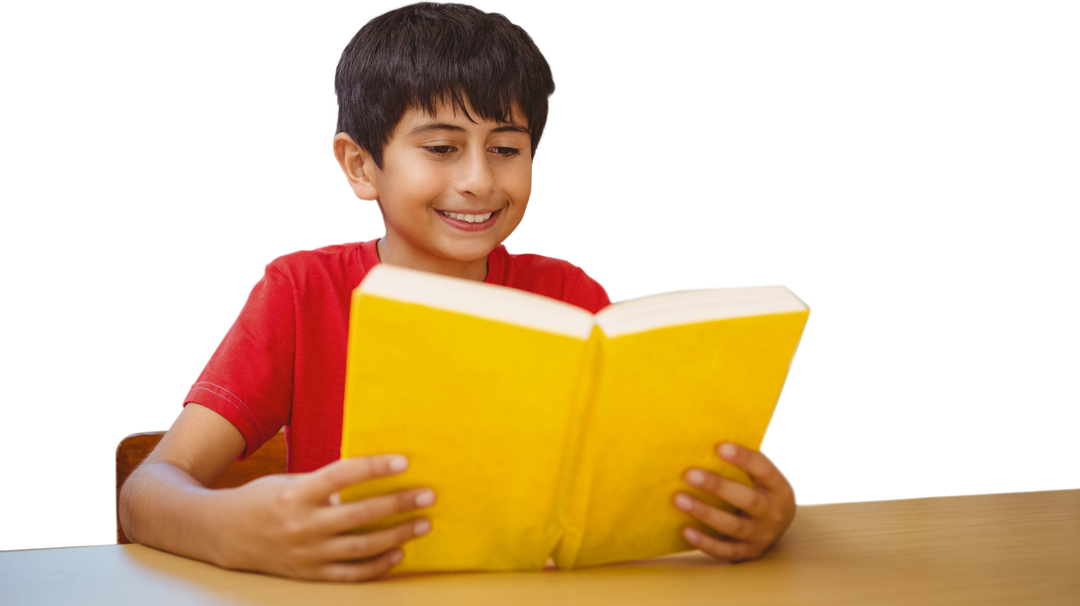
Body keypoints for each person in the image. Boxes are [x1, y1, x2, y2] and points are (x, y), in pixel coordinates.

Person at [118, 0, 797, 583]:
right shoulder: (301, 289)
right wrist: (231, 530)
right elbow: (146, 493)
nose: (478, 180)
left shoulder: (569, 292)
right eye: (441, 148)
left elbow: (646, 476)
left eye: (506, 148)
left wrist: (760, 506)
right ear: (360, 166)